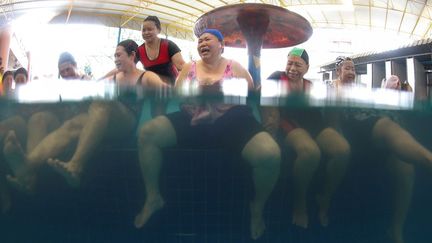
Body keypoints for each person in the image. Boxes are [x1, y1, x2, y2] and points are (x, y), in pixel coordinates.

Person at [134, 29, 280, 240]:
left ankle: (257, 207)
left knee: (270, 154)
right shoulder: (188, 68)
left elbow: (250, 93)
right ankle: (153, 196)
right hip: (193, 119)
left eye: (207, 39)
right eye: (199, 40)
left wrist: (221, 91)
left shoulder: (234, 67)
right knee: (148, 134)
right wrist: (195, 106)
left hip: (232, 120)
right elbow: (179, 95)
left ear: (221, 45)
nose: (202, 42)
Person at [333, 56, 432, 243]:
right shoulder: (330, 89)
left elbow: (373, 107)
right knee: (386, 125)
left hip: (374, 133)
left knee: (405, 168)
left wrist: (387, 93)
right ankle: (429, 160)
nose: (352, 72)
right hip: (354, 136)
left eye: (354, 69)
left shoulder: (360, 90)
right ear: (338, 72)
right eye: (347, 68)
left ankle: (395, 229)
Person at [262, 48, 350, 228]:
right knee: (311, 153)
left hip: (315, 125)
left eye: (297, 64)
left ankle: (325, 196)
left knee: (343, 150)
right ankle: (299, 203)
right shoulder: (276, 78)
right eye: (289, 63)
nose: (292, 68)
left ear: (307, 68)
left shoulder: (310, 86)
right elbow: (262, 95)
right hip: (289, 124)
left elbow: (328, 108)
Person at [103, 16, 185, 116]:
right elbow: (123, 67)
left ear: (158, 30)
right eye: (143, 30)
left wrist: (180, 86)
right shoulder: (139, 51)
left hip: (170, 85)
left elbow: (182, 68)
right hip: (152, 85)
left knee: (158, 111)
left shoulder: (169, 45)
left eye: (150, 29)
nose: (146, 32)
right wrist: (101, 79)